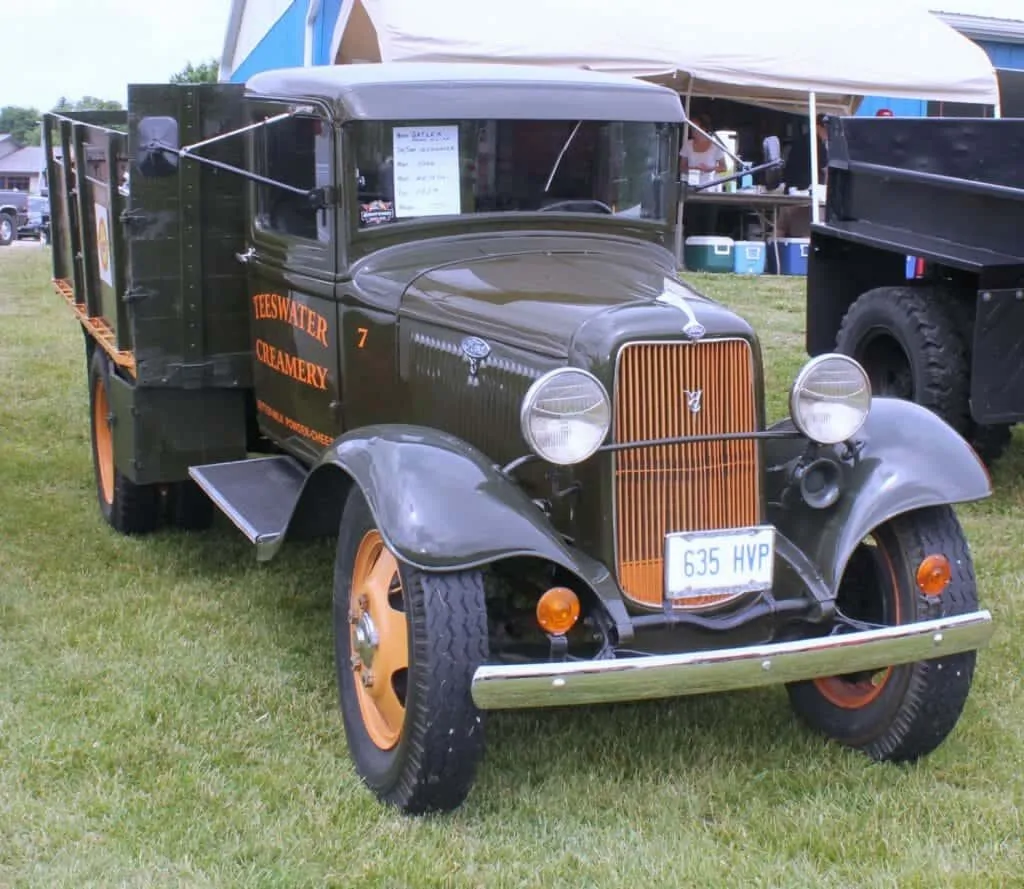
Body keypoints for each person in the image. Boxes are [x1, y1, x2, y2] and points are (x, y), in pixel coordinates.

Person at [680, 114, 727, 185]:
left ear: (703, 128)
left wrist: (711, 169)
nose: (692, 130)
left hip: (710, 186)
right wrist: (693, 169)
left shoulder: (715, 145)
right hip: (691, 185)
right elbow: (682, 168)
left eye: (695, 127)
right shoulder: (687, 145)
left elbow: (723, 167)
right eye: (691, 127)